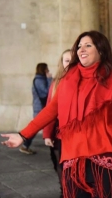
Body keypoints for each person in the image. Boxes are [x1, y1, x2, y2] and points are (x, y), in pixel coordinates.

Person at [1, 31, 112, 198]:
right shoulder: (68, 79)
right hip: (73, 157)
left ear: (101, 49)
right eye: (79, 46)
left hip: (106, 155)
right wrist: (23, 135)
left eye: (88, 45)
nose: (81, 49)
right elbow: (51, 110)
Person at [42, 49, 71, 197]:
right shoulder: (56, 83)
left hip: (78, 134)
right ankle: (64, 192)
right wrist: (47, 134)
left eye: (73, 60)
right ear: (62, 63)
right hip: (60, 134)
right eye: (67, 60)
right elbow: (49, 110)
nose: (70, 63)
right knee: (61, 165)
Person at [19, 63, 52, 155]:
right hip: (40, 108)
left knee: (38, 127)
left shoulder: (40, 79)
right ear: (43, 69)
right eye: (46, 68)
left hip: (40, 107)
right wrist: (50, 79)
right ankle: (25, 145)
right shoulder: (39, 80)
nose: (48, 70)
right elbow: (46, 93)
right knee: (35, 127)